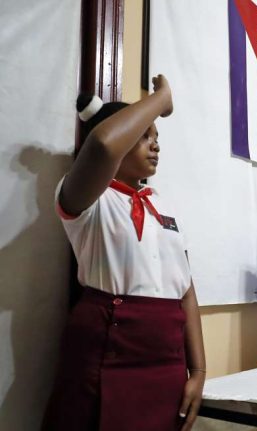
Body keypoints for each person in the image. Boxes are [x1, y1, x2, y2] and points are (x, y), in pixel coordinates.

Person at [43, 75, 206, 431]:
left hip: (165, 356)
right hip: (108, 347)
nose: (155, 146)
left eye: (157, 138)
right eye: (143, 136)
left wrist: (198, 370)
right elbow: (102, 145)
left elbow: (186, 289)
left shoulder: (164, 205)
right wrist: (162, 98)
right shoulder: (86, 196)